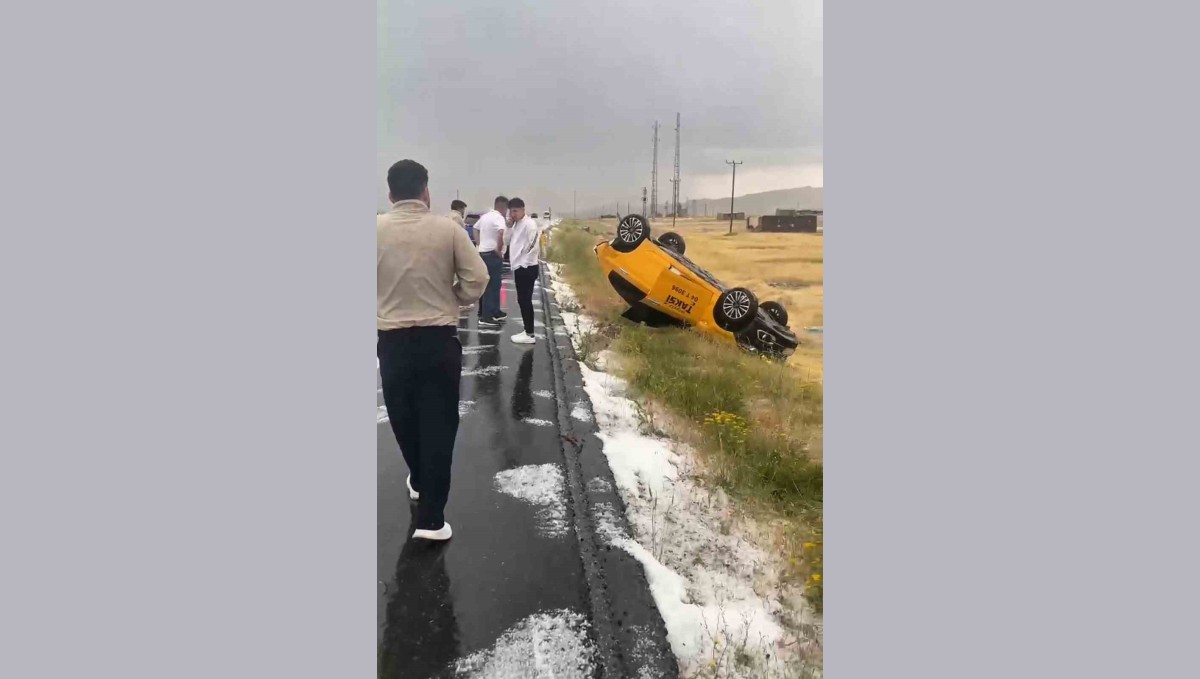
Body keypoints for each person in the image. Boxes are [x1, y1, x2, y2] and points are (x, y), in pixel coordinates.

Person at [378, 159, 488, 541]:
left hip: (392, 342)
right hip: (438, 340)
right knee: (439, 425)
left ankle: (419, 478)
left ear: (390, 193)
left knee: (403, 418)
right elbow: (479, 277)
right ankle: (432, 520)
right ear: (426, 190)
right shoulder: (448, 229)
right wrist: (455, 299)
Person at [506, 198, 541, 345]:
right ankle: (527, 330)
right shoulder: (516, 224)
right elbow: (508, 241)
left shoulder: (529, 224)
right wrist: (508, 227)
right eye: (511, 211)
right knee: (522, 300)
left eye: (516, 211)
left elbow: (534, 245)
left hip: (527, 268)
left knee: (525, 300)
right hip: (519, 267)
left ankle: (530, 334)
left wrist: (524, 263)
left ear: (523, 210)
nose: (513, 214)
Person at [475, 196, 510, 325]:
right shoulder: (499, 218)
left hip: (482, 253)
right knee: (493, 285)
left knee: (489, 284)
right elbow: (501, 232)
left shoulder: (485, 216)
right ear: (504, 207)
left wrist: (480, 243)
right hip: (492, 255)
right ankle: (486, 317)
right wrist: (498, 249)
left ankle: (494, 311)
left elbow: (475, 228)